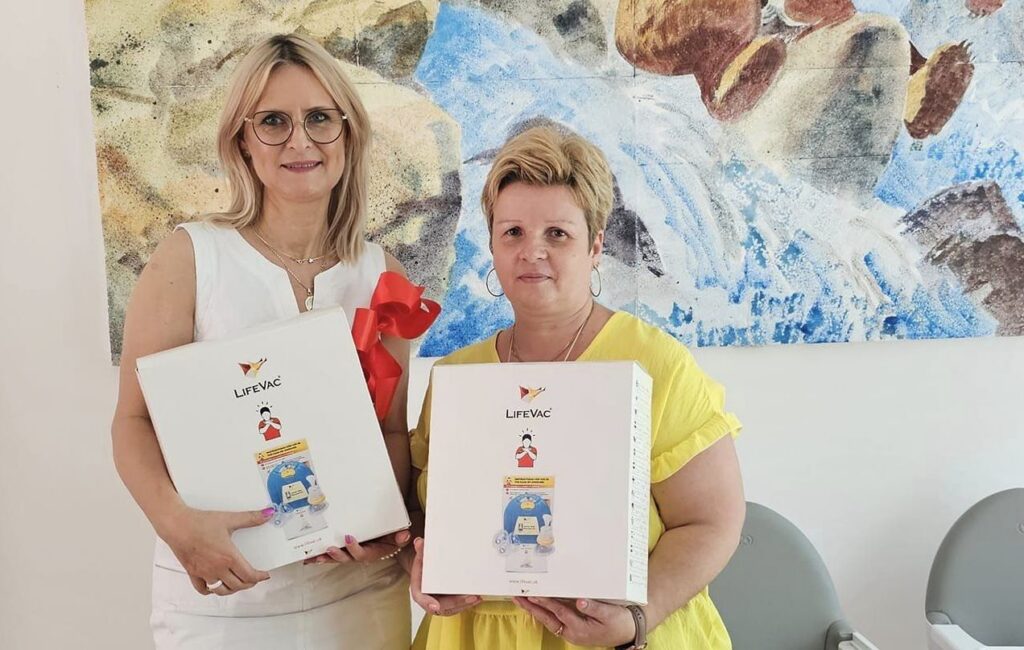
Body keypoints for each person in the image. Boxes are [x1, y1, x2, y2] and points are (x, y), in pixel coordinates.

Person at [111, 33, 414, 649]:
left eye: (320, 118)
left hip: (357, 601)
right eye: (273, 121)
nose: (300, 141)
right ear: (242, 142)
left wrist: (388, 528)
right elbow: (133, 422)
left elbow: (389, 432)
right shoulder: (190, 257)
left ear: (348, 135)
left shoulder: (384, 275)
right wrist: (179, 527)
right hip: (223, 604)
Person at [405, 126, 746, 649]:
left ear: (596, 246)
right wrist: (422, 567)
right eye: (512, 232)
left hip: (623, 637)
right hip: (476, 635)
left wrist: (637, 619)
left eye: (557, 234)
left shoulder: (657, 364)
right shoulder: (456, 377)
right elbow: (426, 516)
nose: (532, 251)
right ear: (492, 245)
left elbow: (711, 523)